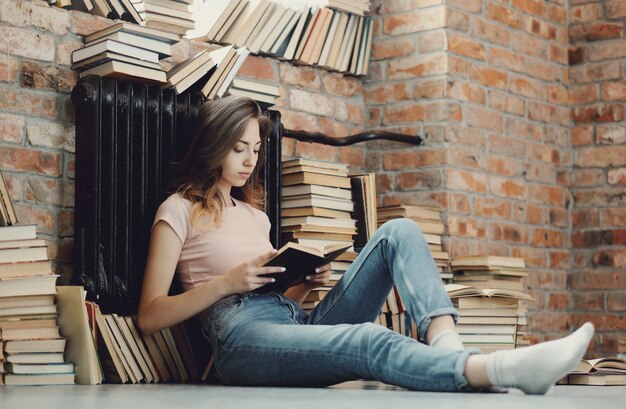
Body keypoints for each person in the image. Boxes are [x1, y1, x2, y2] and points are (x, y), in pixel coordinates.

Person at [137, 96, 594, 394]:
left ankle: (446, 339)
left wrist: (305, 283)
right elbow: (150, 316)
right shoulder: (177, 209)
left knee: (399, 232)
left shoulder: (256, 216)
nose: (250, 159)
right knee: (368, 340)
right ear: (213, 145)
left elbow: (279, 302)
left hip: (290, 319)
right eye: (239, 148)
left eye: (255, 149)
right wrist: (226, 283)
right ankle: (494, 370)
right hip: (238, 339)